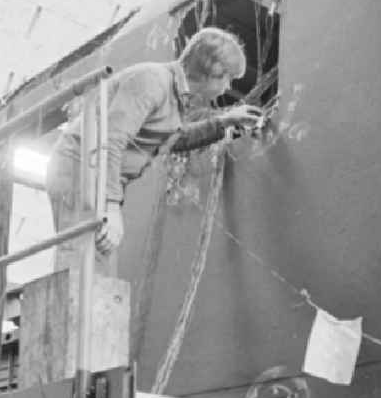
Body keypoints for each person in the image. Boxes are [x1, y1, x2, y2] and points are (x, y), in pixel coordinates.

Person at [46, 26, 263, 264]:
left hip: (97, 173)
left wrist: (224, 122)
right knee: (83, 258)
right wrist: (111, 206)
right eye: (228, 78)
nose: (228, 88)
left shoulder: (174, 97)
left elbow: (174, 140)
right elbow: (111, 139)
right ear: (212, 71)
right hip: (81, 168)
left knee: (98, 257)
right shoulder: (152, 81)